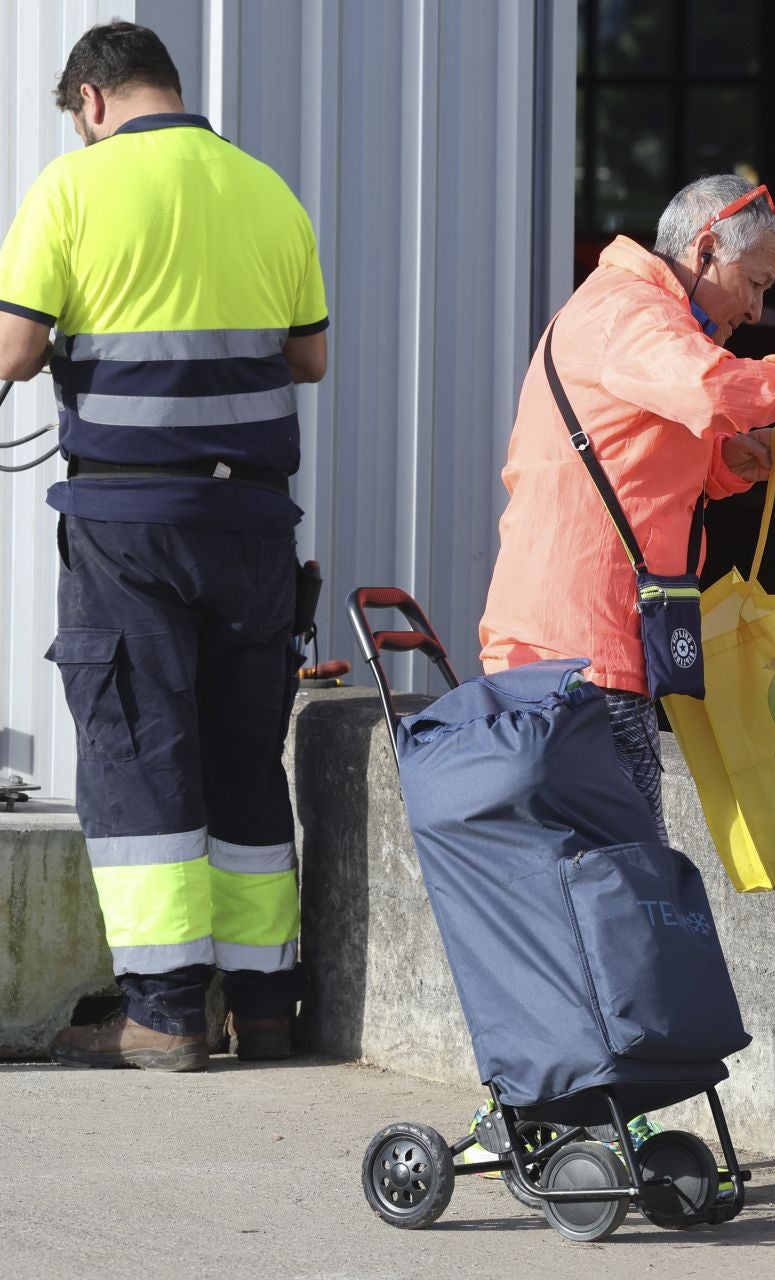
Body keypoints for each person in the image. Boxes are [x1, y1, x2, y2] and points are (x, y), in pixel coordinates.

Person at [0, 22, 327, 1071]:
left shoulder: (72, 190)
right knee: (243, 754)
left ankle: (166, 1011)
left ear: (93, 100)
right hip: (254, 524)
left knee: (143, 755)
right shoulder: (267, 190)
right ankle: (267, 1004)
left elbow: (13, 346)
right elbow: (309, 356)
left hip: (131, 524)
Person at [479, 175, 775, 839]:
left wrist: (730, 462)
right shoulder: (635, 312)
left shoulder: (623, 309)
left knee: (586, 878)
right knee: (626, 879)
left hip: (566, 647)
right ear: (704, 250)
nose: (756, 311)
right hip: (586, 654)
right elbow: (709, 390)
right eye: (755, 283)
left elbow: (633, 454)